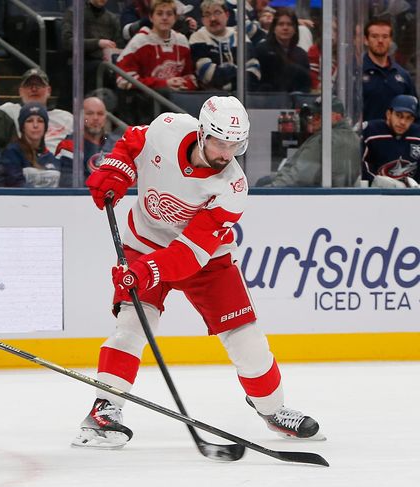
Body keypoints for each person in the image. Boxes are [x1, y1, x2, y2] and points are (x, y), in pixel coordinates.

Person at [73, 95, 321, 449]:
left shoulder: (232, 187)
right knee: (133, 323)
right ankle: (105, 408)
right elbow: (131, 143)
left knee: (247, 339)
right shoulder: (168, 128)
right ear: (203, 133)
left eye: (236, 145)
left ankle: (273, 409)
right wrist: (116, 168)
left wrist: (146, 272)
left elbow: (191, 253)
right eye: (221, 143)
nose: (227, 153)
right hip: (143, 242)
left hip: (206, 259)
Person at [263, 96, 360, 188]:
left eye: (318, 116)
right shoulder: (354, 138)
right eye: (311, 116)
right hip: (327, 195)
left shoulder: (325, 139)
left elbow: (297, 176)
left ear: (337, 117)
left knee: (262, 182)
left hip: (308, 195)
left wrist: (269, 191)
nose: (312, 120)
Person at [116, 0, 196, 93]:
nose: (164, 18)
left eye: (169, 14)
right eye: (159, 14)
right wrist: (163, 84)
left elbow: (190, 77)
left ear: (175, 18)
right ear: (151, 17)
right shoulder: (139, 41)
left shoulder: (182, 41)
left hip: (177, 99)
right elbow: (123, 79)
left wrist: (183, 84)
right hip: (147, 100)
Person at [189, 0, 261, 91]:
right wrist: (237, 72)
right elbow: (207, 75)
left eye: (217, 13)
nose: (213, 19)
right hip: (209, 98)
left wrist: (228, 85)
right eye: (207, 15)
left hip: (241, 97)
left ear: (227, 15)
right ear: (202, 20)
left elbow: (254, 72)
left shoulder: (239, 35)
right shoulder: (198, 37)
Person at [0, 68, 74, 155]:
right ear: (20, 91)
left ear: (49, 91)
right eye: (28, 85)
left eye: (39, 85)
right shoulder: (7, 111)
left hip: (59, 164)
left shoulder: (66, 117)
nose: (34, 89)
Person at [55, 96, 119, 188]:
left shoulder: (117, 144)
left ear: (105, 118)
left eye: (100, 114)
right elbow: (68, 184)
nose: (96, 118)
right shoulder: (69, 145)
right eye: (89, 113)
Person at [62, 0, 123, 95]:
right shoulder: (74, 13)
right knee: (100, 68)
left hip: (105, 63)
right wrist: (98, 43)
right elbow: (67, 42)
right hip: (80, 61)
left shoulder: (112, 19)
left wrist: (112, 53)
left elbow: (118, 45)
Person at [362, 18, 417, 122]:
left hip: (397, 138)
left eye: (385, 36)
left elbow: (415, 112)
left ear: (391, 40)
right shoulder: (354, 73)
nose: (380, 41)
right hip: (365, 137)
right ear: (366, 40)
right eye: (374, 36)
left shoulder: (403, 75)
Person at [361, 94, 420, 188]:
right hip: (373, 195)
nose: (403, 122)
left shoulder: (417, 135)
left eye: (408, 118)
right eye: (398, 115)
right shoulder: (370, 131)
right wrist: (374, 180)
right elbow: (356, 164)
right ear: (388, 114)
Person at [2, 103, 61, 188]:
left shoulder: (51, 157)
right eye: (29, 121)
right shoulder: (12, 153)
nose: (35, 125)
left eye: (40, 121)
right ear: (22, 127)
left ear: (45, 127)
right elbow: (15, 185)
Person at [254, 7, 310, 93]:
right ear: (274, 28)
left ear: (295, 29)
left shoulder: (301, 54)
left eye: (289, 24)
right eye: (281, 24)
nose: (285, 28)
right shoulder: (262, 50)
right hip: (267, 101)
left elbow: (305, 85)